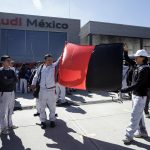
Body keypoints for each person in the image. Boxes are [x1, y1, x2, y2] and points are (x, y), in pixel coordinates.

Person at [121, 44, 150, 144]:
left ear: (143, 58)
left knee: (134, 116)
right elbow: (127, 59)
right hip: (135, 95)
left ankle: (128, 136)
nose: (135, 58)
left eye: (137, 57)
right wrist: (125, 51)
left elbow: (138, 84)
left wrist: (124, 90)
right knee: (139, 115)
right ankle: (142, 132)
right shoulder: (138, 65)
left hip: (140, 96)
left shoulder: (145, 69)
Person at [31, 54, 60, 129]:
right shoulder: (40, 67)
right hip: (42, 90)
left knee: (52, 107)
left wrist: (65, 50)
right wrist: (33, 84)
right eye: (49, 60)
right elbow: (36, 76)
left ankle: (52, 120)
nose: (51, 61)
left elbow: (60, 60)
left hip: (51, 90)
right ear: (45, 60)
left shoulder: (54, 66)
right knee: (41, 107)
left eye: (51, 59)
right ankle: (43, 121)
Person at [0, 55, 18, 135]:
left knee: (10, 110)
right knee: (3, 111)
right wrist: (12, 80)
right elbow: (5, 82)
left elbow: (16, 80)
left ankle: (10, 125)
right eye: (8, 60)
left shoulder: (12, 70)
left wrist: (9, 79)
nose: (10, 62)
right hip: (4, 93)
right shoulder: (1, 71)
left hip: (12, 92)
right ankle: (3, 128)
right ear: (3, 62)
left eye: (10, 60)